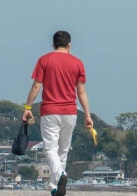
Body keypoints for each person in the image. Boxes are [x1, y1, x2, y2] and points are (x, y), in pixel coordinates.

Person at [22, 31, 93, 196]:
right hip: (70, 112)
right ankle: (55, 187)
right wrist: (88, 115)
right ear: (69, 45)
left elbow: (36, 86)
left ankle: (60, 175)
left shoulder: (44, 60)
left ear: (53, 45)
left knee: (50, 149)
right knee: (63, 150)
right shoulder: (78, 63)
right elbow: (81, 92)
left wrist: (27, 107)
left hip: (49, 111)